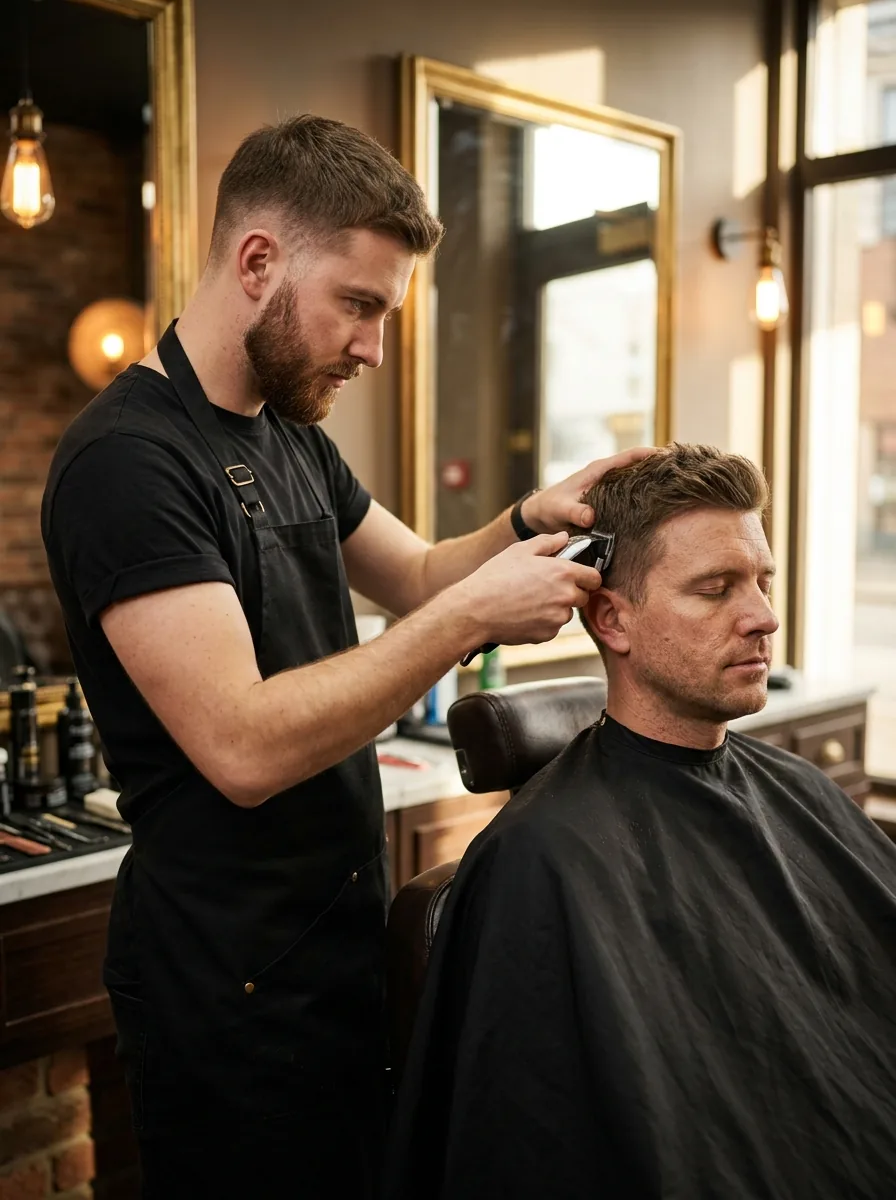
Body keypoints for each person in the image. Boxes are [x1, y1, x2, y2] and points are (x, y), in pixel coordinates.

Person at [40, 114, 644, 1198]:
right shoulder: (128, 465)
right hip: (222, 989)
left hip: (331, 947)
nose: (371, 347)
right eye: (358, 305)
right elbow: (240, 743)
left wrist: (523, 523)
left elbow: (414, 575)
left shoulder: (289, 436)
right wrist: (469, 624)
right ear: (258, 260)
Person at [384, 443, 896, 1200]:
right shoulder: (543, 859)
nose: (763, 617)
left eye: (761, 581)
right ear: (613, 620)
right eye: (715, 589)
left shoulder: (799, 790)